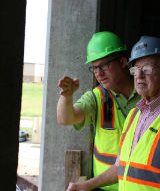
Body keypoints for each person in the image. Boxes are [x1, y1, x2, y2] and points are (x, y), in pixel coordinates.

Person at [66, 35, 160, 191]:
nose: (139, 76)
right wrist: (85, 186)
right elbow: (122, 167)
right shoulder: (134, 116)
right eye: (135, 69)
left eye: (147, 69)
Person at [57, 31, 141, 191]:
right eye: (94, 68)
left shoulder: (147, 95)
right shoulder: (98, 97)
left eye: (104, 66)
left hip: (139, 186)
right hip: (106, 187)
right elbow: (65, 119)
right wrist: (67, 97)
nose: (98, 74)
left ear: (123, 62)